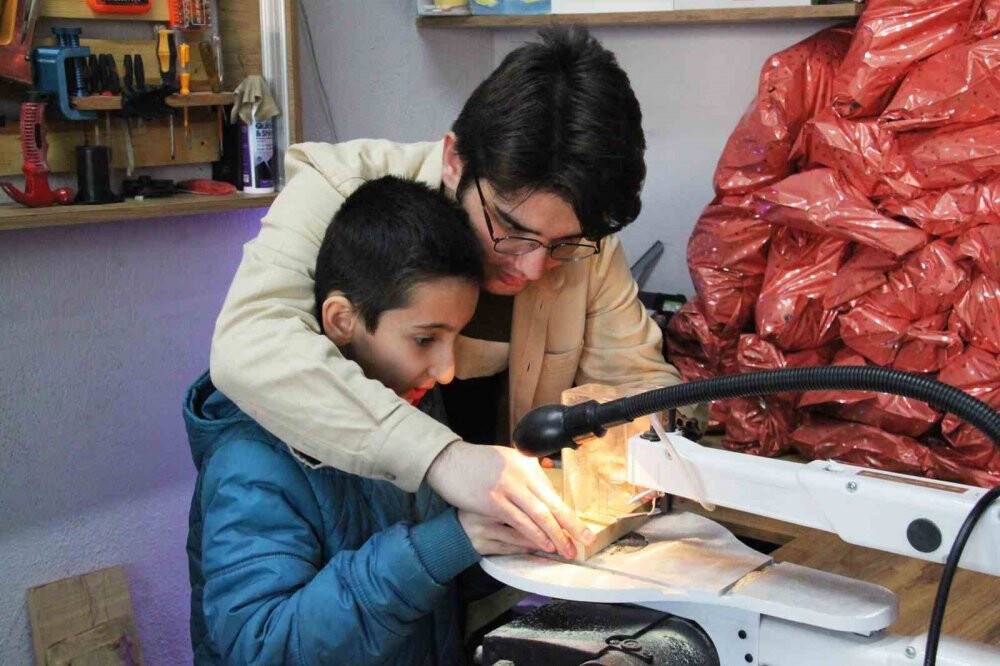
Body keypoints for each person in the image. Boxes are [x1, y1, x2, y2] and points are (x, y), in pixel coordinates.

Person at [210, 27, 701, 561]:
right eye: (511, 229)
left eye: (562, 244)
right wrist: (442, 458)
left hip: (485, 564)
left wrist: (627, 450)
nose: (533, 267)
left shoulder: (589, 245)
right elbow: (249, 346)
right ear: (454, 160)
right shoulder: (342, 191)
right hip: (360, 560)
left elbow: (640, 390)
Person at [185, 177, 533, 664]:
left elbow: (431, 595)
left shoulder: (410, 401)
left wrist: (514, 530)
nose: (448, 369)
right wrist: (445, 542)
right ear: (342, 321)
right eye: (425, 339)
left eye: (455, 336)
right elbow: (261, 645)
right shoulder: (252, 458)